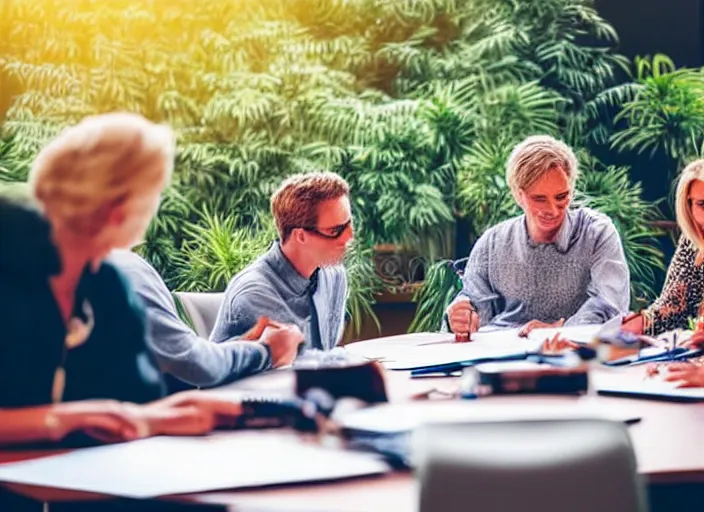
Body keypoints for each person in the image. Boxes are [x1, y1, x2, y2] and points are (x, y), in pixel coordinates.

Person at [0, 114, 243, 452]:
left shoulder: (109, 288)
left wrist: (159, 416)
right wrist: (63, 418)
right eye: (154, 192)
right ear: (119, 209)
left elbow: (119, 408)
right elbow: (82, 415)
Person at [445, 135, 630, 339]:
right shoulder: (493, 242)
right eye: (539, 199)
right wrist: (460, 315)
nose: (552, 210)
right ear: (518, 195)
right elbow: (474, 303)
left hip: (574, 352)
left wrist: (562, 332)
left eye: (561, 197)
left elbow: (610, 304)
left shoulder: (596, 233)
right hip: (502, 355)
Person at [106, 249, 302, 392]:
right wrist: (265, 351)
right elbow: (193, 363)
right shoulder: (121, 268)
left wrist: (237, 348)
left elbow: (171, 365)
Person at [210, 172, 352, 351]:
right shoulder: (256, 293)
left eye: (348, 224)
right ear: (300, 236)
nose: (349, 237)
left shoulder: (334, 275)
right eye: (335, 230)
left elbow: (323, 354)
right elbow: (296, 365)